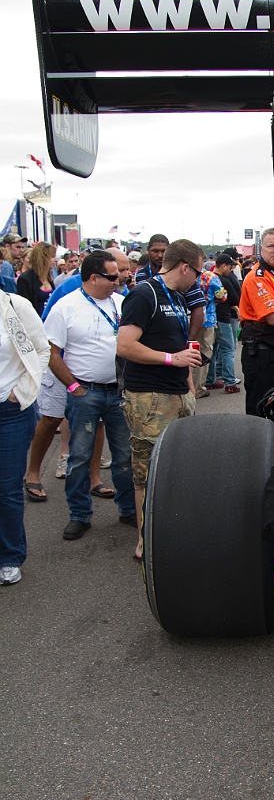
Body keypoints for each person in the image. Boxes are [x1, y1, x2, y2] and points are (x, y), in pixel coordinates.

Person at [117, 239, 203, 559]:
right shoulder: (144, 294)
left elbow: (179, 345)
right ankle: (145, 539)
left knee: (176, 468)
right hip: (149, 398)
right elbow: (125, 346)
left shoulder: (178, 297)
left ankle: (171, 529)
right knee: (148, 471)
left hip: (177, 394)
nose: (198, 278)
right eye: (197, 271)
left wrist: (187, 382)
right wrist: (172, 360)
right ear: (184, 267)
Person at [43, 250, 135, 540]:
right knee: (79, 457)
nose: (117, 280)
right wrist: (74, 388)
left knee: (124, 456)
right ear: (93, 277)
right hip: (86, 392)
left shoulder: (122, 303)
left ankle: (128, 509)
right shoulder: (65, 307)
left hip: (118, 392)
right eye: (111, 276)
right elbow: (51, 351)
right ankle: (79, 514)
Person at [0, 287, 50, 584]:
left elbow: (42, 349)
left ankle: (9, 556)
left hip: (9, 411)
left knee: (6, 489)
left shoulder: (15, 306)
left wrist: (21, 393)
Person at [239, 228, 274, 415]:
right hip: (261, 354)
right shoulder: (257, 278)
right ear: (261, 249)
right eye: (270, 246)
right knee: (260, 410)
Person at [135, 234, 206, 341]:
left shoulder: (181, 290)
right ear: (148, 250)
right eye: (155, 251)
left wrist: (188, 343)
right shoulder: (140, 288)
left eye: (163, 251)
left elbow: (197, 307)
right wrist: (170, 358)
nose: (160, 255)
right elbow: (126, 346)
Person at [192, 262, 229, 398]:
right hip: (207, 318)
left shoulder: (188, 275)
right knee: (204, 353)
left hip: (189, 318)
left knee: (191, 350)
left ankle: (192, 386)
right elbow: (222, 295)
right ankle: (198, 388)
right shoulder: (210, 277)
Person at [206, 254, 241, 393]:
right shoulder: (224, 280)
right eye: (230, 266)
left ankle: (209, 380)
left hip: (210, 318)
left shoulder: (208, 278)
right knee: (227, 349)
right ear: (224, 265)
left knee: (212, 351)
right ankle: (230, 382)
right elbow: (234, 298)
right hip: (223, 318)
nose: (231, 269)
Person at [16, 243, 57, 316]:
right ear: (43, 258)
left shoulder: (48, 277)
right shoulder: (25, 279)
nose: (56, 260)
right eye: (52, 257)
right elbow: (24, 308)